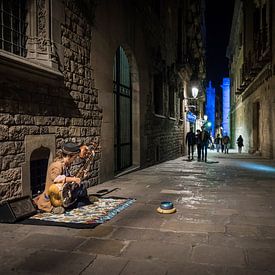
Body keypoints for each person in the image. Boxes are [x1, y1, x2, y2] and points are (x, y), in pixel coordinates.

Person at [33, 142, 91, 214]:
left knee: (82, 189)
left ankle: (83, 200)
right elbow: (56, 178)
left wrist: (82, 177)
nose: (74, 160)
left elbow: (68, 181)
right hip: (53, 198)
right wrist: (73, 179)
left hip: (63, 194)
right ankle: (49, 207)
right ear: (69, 156)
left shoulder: (65, 165)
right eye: (74, 157)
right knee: (82, 202)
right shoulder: (57, 165)